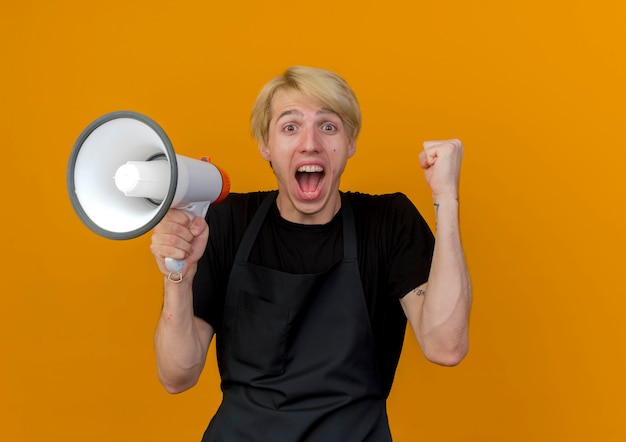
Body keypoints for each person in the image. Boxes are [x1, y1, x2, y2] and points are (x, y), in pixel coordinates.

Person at [150, 66, 472, 441]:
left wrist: (446, 197)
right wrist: (179, 276)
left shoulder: (388, 223)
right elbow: (177, 376)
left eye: (329, 126)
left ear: (350, 143)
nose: (309, 143)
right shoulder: (226, 223)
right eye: (290, 127)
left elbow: (446, 346)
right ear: (265, 145)